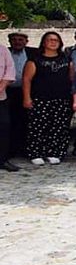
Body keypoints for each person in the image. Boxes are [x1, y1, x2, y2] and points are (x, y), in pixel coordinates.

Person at [22, 32, 72, 166]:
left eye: (56, 40)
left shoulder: (66, 59)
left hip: (61, 99)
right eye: (49, 40)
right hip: (40, 99)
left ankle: (54, 152)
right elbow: (27, 80)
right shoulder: (34, 60)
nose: (53, 42)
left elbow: (71, 79)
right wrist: (27, 98)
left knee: (59, 127)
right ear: (43, 42)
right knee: (38, 127)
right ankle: (35, 153)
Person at [7, 31, 37, 157]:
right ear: (10, 42)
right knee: (9, 120)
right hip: (8, 91)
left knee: (28, 120)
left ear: (26, 41)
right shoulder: (5, 53)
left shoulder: (34, 53)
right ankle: (10, 149)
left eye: (20, 39)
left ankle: (26, 148)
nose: (17, 42)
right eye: (14, 40)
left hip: (28, 91)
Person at [0, 43, 18, 171]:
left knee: (4, 127)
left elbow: (10, 70)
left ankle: (2, 160)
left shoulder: (3, 50)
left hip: (1, 96)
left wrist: (1, 87)